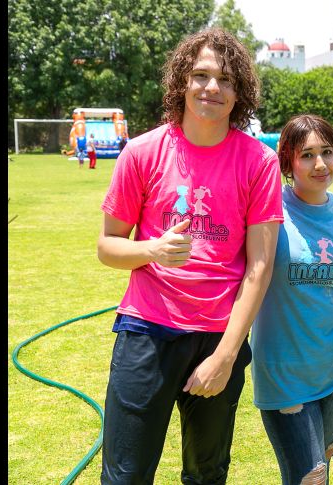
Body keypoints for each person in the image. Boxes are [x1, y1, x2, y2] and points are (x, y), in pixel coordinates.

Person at [97, 27, 283, 484]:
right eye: (201, 75)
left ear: (240, 93)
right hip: (146, 332)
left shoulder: (259, 162)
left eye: (226, 79)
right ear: (182, 81)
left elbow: (259, 268)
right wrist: (151, 249)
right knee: (125, 474)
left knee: (206, 473)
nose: (212, 88)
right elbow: (107, 246)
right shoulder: (141, 152)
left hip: (219, 336)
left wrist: (226, 354)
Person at [250, 114, 333, 484]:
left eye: (327, 152)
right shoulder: (268, 208)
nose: (320, 165)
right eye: (307, 155)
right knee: (309, 477)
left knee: (322, 466)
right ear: (287, 161)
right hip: (285, 374)